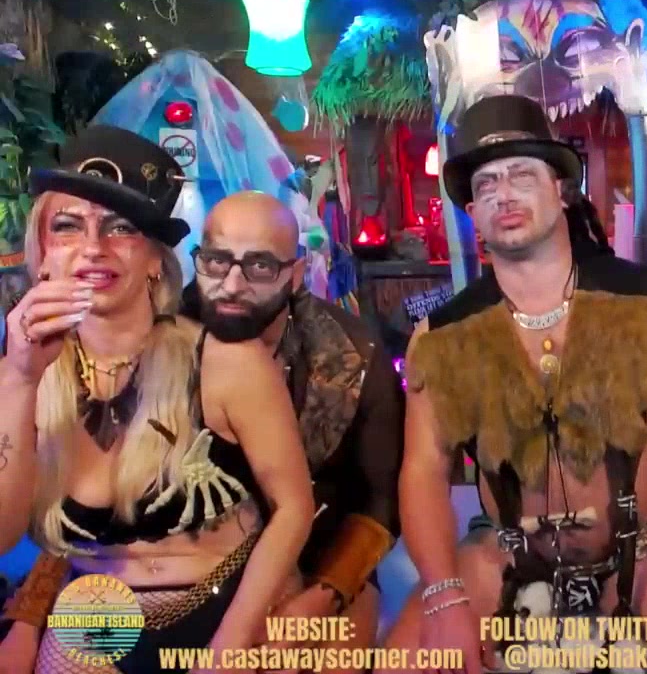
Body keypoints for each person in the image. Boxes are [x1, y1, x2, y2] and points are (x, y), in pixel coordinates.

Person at [380, 95, 647, 674]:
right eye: (486, 185)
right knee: (402, 665)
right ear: (473, 212)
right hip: (504, 548)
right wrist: (444, 594)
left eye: (522, 176)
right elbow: (424, 469)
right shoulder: (442, 334)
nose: (504, 194)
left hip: (643, 545)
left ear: (561, 190)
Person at [0, 192, 402, 671]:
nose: (231, 284)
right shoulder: (160, 326)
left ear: (295, 273)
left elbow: (378, 502)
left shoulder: (354, 353)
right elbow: (98, 510)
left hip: (322, 560)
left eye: (259, 266)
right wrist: (30, 616)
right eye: (216, 261)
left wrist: (321, 598)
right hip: (120, 598)